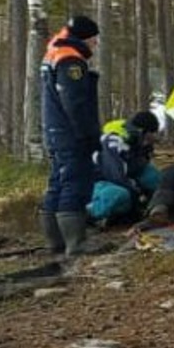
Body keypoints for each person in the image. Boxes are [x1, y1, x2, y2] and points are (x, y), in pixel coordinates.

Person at [40, 15, 103, 255]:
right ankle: (76, 243)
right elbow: (75, 103)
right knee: (75, 182)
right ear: (87, 38)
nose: (95, 46)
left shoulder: (54, 52)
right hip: (70, 133)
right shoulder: (70, 59)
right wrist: (88, 135)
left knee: (58, 181)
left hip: (56, 130)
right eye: (94, 41)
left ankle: (55, 241)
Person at [89, 111, 163, 228]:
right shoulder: (113, 141)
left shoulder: (140, 143)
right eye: (152, 134)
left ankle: (156, 209)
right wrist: (137, 197)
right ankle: (88, 213)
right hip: (99, 182)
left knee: (153, 177)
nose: (154, 138)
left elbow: (142, 166)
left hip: (126, 178)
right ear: (142, 131)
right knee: (118, 195)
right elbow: (116, 175)